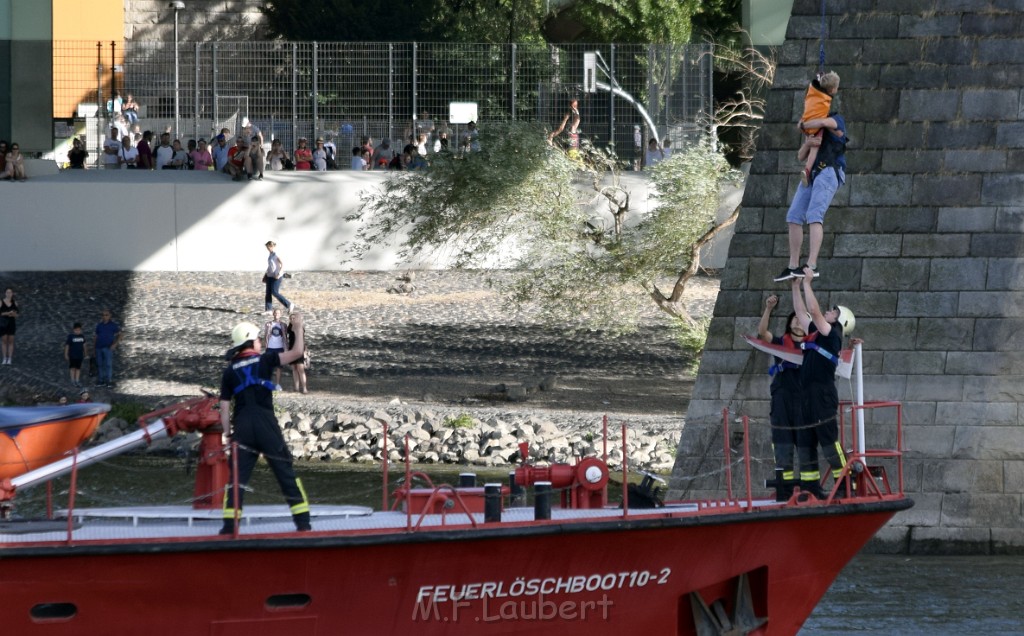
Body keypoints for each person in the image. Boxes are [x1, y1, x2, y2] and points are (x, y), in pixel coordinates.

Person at [219, 316, 310, 534]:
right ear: (251, 342)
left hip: (242, 428)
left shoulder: (229, 371)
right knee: (284, 472)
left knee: (237, 479)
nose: (261, 342)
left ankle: (229, 528)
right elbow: (297, 353)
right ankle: (303, 525)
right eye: (259, 339)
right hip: (266, 424)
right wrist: (298, 329)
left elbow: (223, 406)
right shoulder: (265, 360)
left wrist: (228, 433)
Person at [790, 269, 855, 498]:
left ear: (839, 320)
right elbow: (801, 311)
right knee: (805, 440)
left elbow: (814, 311)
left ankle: (845, 483)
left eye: (833, 312)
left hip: (822, 394)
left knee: (828, 440)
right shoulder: (818, 333)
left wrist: (808, 283)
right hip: (806, 394)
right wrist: (795, 286)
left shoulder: (832, 334)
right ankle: (811, 486)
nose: (829, 312)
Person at [773, 108, 849, 282]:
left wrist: (804, 124)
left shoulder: (835, 119)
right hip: (811, 174)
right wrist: (808, 142)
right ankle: (793, 266)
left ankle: (811, 265)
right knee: (793, 216)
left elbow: (823, 122)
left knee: (814, 215)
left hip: (829, 171)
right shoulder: (813, 131)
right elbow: (800, 156)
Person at [757, 295, 805, 501]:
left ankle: (808, 489)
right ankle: (784, 489)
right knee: (782, 442)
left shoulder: (815, 346)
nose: (798, 321)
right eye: (794, 318)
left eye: (802, 319)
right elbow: (762, 333)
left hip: (804, 401)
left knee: (805, 443)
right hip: (782, 399)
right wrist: (768, 308)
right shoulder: (780, 342)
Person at [799, 71, 840, 186]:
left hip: (806, 120)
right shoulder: (826, 98)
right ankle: (807, 170)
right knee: (814, 149)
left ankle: (807, 169)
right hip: (815, 127)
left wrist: (820, 77)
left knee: (809, 143)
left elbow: (819, 83)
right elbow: (823, 121)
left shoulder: (814, 91)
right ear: (832, 90)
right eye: (836, 88)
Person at [94, 309, 122, 387]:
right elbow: (96, 336)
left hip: (108, 347)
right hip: (98, 347)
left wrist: (115, 344)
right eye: (103, 315)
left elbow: (120, 334)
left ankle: (108, 380)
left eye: (106, 315)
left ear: (110, 316)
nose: (104, 316)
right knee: (100, 364)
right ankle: (101, 380)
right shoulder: (99, 325)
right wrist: (94, 348)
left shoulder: (113, 325)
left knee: (108, 364)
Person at [263, 240, 293, 312]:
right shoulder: (270, 254)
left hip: (276, 276)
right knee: (268, 293)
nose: (268, 248)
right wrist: (265, 275)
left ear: (273, 246)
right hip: (270, 276)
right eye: (267, 247)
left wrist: (279, 274)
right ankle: (268, 310)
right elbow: (270, 266)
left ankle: (289, 304)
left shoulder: (277, 254)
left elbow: (282, 264)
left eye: (269, 247)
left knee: (274, 292)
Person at [262, 308, 289, 387]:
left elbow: (285, 337)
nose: (276, 314)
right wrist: (264, 345)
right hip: (270, 347)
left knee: (279, 367)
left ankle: (277, 384)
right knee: (268, 366)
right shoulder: (268, 324)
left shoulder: (283, 325)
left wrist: (286, 347)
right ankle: (268, 383)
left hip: (280, 347)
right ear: (273, 314)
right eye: (275, 313)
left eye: (278, 313)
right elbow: (265, 335)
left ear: (280, 315)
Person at [287, 320, 308, 394]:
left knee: (301, 369)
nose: (293, 319)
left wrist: (305, 350)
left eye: (294, 318)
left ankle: (304, 388)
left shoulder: (300, 327)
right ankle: (296, 387)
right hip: (291, 350)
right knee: (294, 369)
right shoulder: (289, 328)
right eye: (291, 318)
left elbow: (303, 339)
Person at [64, 322, 87, 386]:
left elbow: (84, 345)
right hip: (72, 355)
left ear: (81, 330)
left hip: (79, 356)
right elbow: (67, 346)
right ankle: (72, 380)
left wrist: (86, 353)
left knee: (78, 368)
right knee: (72, 368)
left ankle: (77, 380)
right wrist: (66, 354)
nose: (78, 331)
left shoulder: (82, 337)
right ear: (74, 330)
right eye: (76, 330)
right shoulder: (71, 337)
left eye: (79, 330)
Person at [0, 288, 18, 364]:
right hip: (3, 323)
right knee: (4, 341)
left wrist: (14, 314)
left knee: (11, 341)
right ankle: (4, 358)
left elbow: (17, 315)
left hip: (11, 323)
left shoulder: (15, 303)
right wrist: (8, 313)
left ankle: (9, 358)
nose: (9, 294)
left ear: (12, 293)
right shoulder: (1, 302)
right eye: (7, 292)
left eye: (10, 292)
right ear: (5, 293)